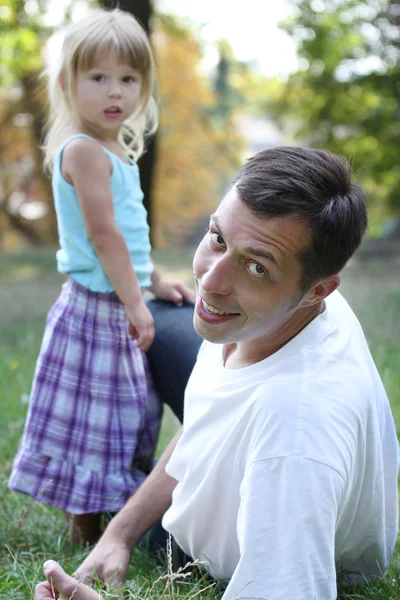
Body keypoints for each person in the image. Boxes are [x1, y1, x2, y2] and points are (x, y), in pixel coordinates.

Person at [35, 146, 399, 600]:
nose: (211, 280)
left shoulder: (296, 437)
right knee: (151, 322)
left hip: (207, 544)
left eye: (255, 267)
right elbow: (208, 420)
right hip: (226, 469)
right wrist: (118, 535)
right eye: (217, 237)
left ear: (316, 291)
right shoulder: (272, 304)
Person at [8, 7, 194, 546]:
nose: (116, 92)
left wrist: (153, 280)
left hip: (119, 300)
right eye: (99, 78)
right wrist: (136, 304)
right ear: (70, 82)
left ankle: (103, 514)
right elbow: (103, 235)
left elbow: (130, 238)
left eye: (129, 79)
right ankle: (85, 525)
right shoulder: (85, 151)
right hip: (96, 310)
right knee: (94, 418)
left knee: (126, 412)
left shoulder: (116, 149)